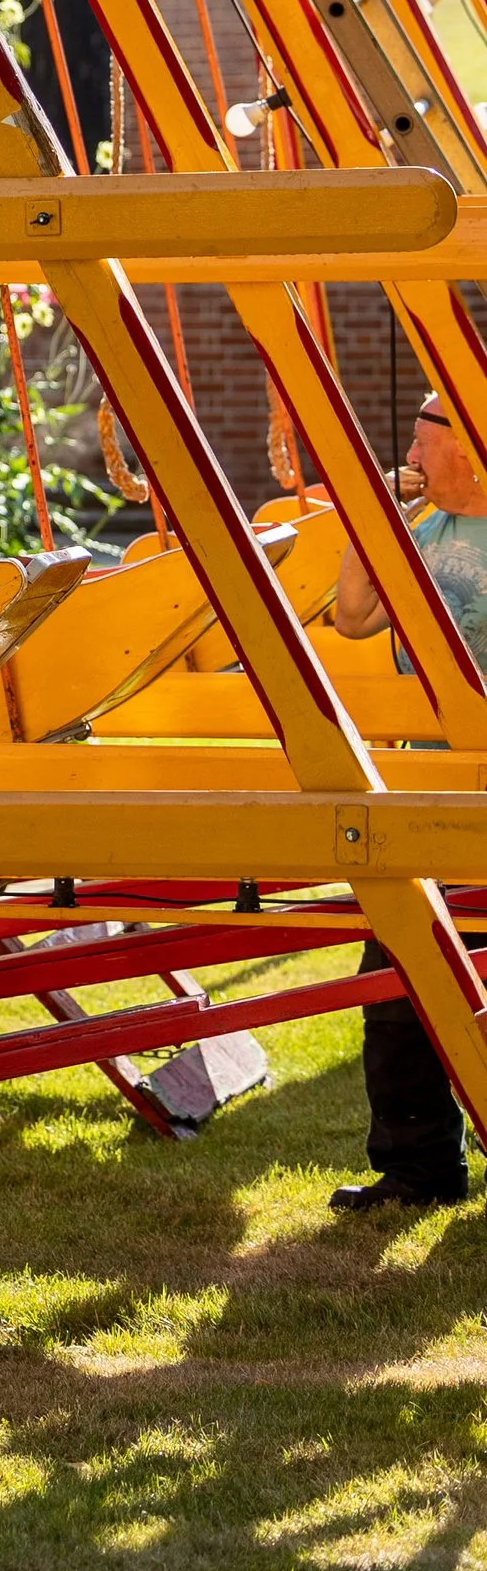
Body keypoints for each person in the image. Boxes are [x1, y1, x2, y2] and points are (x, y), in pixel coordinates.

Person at [323, 391, 487, 1210]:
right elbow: (353, 617)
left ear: (470, 446)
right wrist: (372, 518)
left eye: (424, 446)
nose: (413, 461)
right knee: (396, 994)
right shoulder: (423, 533)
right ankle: (417, 1173)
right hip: (424, 795)